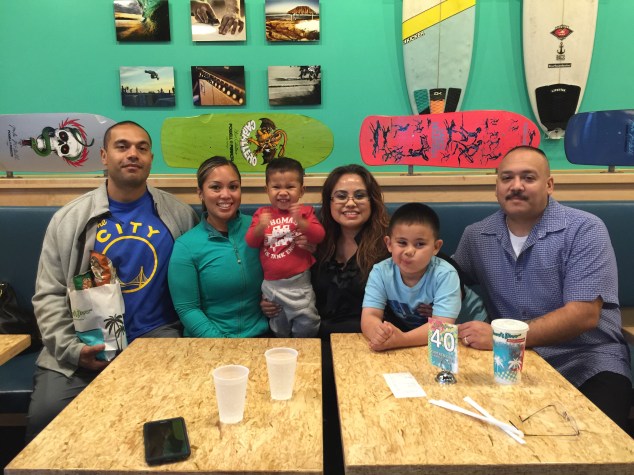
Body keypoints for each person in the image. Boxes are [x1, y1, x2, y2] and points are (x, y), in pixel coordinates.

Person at [27, 121, 199, 441]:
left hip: (157, 343)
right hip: (83, 346)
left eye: (142, 148)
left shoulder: (180, 216)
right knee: (47, 421)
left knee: (179, 419)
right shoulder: (68, 220)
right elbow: (49, 295)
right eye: (122, 146)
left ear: (150, 159)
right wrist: (73, 350)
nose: (133, 154)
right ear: (104, 156)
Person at [454, 145, 632, 430]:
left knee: (597, 445)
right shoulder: (476, 236)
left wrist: (500, 338)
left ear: (549, 185)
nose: (516, 186)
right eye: (507, 178)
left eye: (528, 177)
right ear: (496, 186)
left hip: (587, 363)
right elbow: (445, 280)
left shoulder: (585, 229)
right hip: (510, 366)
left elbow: (583, 315)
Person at [168, 156, 269, 338]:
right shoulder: (185, 246)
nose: (226, 195)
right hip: (210, 343)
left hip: (261, 338)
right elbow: (187, 309)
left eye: (233, 187)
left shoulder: (259, 228)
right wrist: (221, 344)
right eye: (215, 187)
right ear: (200, 193)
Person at [361, 203, 461, 351]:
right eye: (402, 243)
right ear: (389, 244)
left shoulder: (445, 274)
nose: (409, 251)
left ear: (436, 247)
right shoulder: (380, 272)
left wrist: (402, 340)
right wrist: (379, 335)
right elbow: (370, 315)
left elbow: (442, 328)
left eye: (419, 244)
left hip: (463, 334)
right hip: (417, 338)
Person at [245, 157, 324, 337]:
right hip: (272, 285)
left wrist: (301, 223)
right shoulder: (262, 214)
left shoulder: (305, 212)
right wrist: (260, 227)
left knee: (307, 321)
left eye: (290, 186)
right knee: (278, 325)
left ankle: (307, 348)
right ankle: (282, 347)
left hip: (299, 283)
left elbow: (319, 235)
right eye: (276, 187)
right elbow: (251, 241)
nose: (283, 192)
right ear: (267, 190)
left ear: (301, 190)